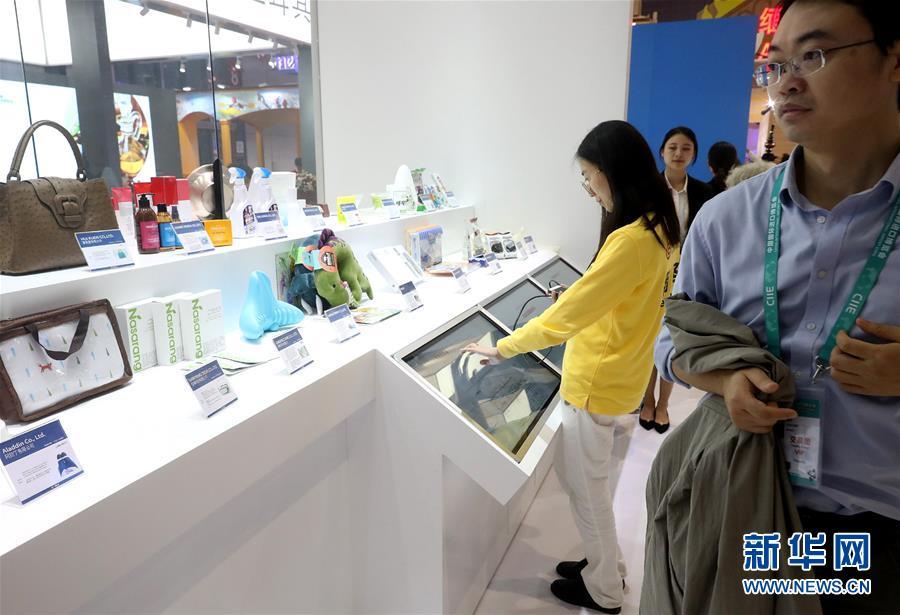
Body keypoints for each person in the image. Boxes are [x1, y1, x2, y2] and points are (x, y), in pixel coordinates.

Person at [654, 0, 900, 612]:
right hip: (746, 503)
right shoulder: (725, 219)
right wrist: (723, 379)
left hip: (877, 530)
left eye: (814, 55)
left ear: (893, 59)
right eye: (776, 64)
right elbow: (668, 343)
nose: (786, 82)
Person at [464, 120, 680, 614]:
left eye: (588, 175)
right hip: (619, 374)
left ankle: (604, 588)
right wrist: (579, 297)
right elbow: (621, 298)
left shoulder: (631, 240)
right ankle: (606, 566)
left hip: (595, 383)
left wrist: (504, 348)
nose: (587, 187)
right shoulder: (660, 229)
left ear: (612, 171)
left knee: (588, 491)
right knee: (584, 482)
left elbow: (566, 319)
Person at [639, 127, 713, 433]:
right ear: (662, 152)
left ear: (694, 154)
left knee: (673, 338)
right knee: (649, 337)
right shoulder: (647, 189)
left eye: (686, 148)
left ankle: (664, 404)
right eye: (672, 147)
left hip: (687, 276)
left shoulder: (704, 193)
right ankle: (646, 399)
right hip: (652, 275)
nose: (678, 153)